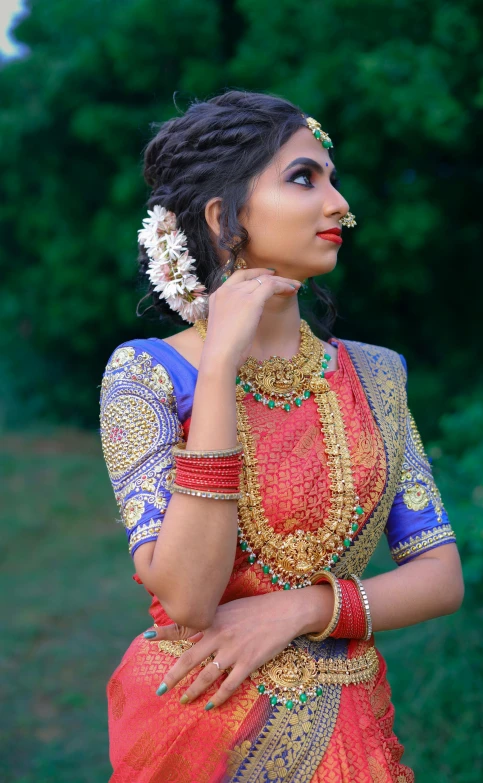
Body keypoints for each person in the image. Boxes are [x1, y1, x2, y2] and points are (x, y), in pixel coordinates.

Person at [99, 90, 464, 783]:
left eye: (332, 179)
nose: (339, 205)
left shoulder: (377, 375)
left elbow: (441, 575)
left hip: (352, 738)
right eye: (305, 178)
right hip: (200, 733)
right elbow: (187, 597)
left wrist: (298, 608)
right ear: (223, 217)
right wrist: (219, 372)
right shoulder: (146, 374)